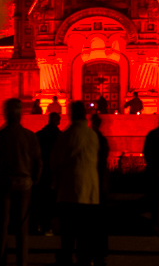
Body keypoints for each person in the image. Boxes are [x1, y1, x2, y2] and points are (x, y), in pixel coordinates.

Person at [0, 98, 41, 266]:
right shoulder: (29, 136)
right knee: (22, 226)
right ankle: (22, 260)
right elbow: (38, 162)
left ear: (6, 114)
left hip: (5, 183)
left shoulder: (2, 136)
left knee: (2, 224)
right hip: (24, 183)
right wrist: (34, 181)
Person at [51, 101, 100, 265]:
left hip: (70, 191)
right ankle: (85, 260)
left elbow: (56, 161)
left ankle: (66, 259)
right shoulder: (92, 135)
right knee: (85, 233)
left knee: (68, 233)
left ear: (71, 114)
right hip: (90, 193)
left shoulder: (67, 135)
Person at [32, 111, 61, 236]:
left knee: (41, 200)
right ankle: (49, 226)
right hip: (54, 173)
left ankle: (40, 225)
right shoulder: (61, 136)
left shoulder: (39, 135)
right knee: (52, 201)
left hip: (42, 172)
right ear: (58, 121)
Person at [89, 114, 110, 265]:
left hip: (92, 182)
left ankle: (90, 251)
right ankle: (100, 252)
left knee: (90, 219)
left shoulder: (91, 139)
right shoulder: (101, 140)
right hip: (99, 183)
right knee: (100, 220)